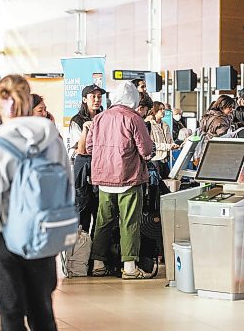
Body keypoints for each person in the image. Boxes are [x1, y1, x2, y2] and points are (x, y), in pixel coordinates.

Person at [0, 75, 70, 330]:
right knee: (43, 312)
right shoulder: (52, 140)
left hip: (2, 242)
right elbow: (67, 186)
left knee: (11, 316)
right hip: (42, 238)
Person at [88, 81, 155, 279]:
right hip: (128, 177)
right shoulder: (134, 118)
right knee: (129, 222)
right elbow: (146, 150)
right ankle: (129, 267)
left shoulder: (99, 117)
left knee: (103, 221)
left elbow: (90, 148)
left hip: (103, 178)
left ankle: (98, 264)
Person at [69, 84, 105, 235]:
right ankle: (80, 254)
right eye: (93, 96)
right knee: (83, 211)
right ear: (84, 99)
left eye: (99, 96)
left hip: (101, 166)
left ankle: (96, 255)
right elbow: (81, 150)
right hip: (83, 167)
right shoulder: (76, 120)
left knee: (101, 212)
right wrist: (85, 129)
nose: (97, 100)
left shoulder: (104, 117)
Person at [147, 101, 179, 178]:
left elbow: (170, 140)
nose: (163, 111)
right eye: (160, 109)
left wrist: (174, 145)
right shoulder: (150, 125)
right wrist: (168, 146)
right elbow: (152, 144)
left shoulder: (165, 125)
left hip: (165, 159)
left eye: (164, 109)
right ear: (155, 111)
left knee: (167, 181)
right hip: (155, 159)